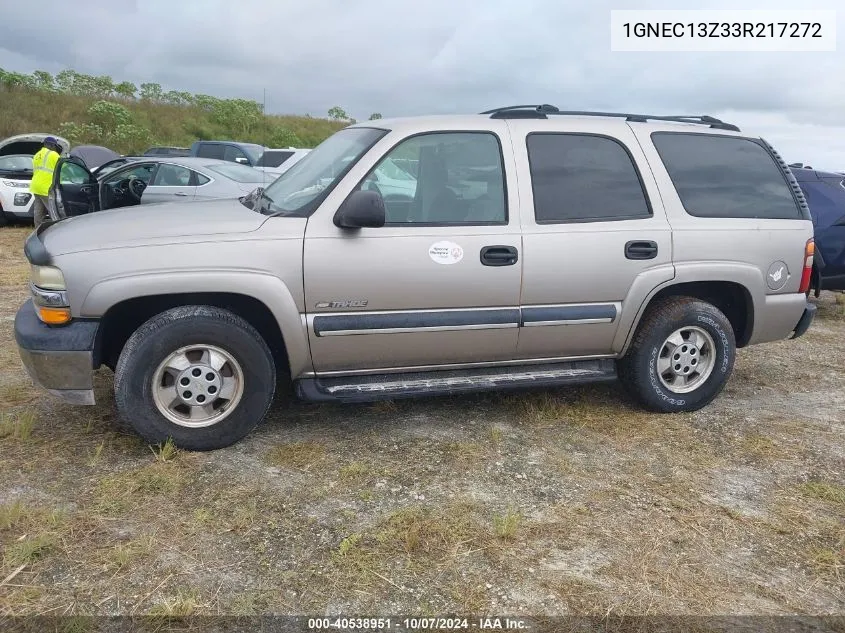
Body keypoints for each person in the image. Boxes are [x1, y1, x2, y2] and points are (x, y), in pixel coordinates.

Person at [29, 136, 62, 228]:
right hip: (46, 187)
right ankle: (57, 230)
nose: (55, 148)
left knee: (38, 211)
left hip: (36, 186)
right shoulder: (54, 155)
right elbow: (62, 168)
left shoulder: (36, 155)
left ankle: (37, 230)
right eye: (55, 146)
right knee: (54, 210)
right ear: (51, 145)